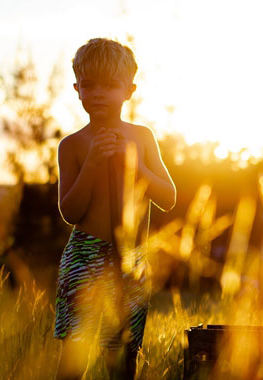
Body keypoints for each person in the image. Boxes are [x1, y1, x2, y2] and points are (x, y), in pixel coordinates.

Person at [53, 38, 176, 380]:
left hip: (130, 258)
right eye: (89, 85)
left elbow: (168, 197)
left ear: (129, 91)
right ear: (77, 89)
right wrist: (92, 164)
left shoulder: (142, 137)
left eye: (110, 85)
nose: (98, 94)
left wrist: (135, 167)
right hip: (84, 256)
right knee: (74, 356)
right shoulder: (73, 145)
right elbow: (71, 212)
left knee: (121, 357)